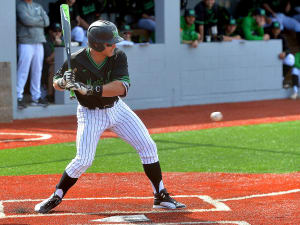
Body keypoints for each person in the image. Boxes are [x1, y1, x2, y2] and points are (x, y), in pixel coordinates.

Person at [34, 20, 186, 214]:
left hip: (117, 109)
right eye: (110, 42)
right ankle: (56, 195)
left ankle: (160, 194)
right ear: (97, 44)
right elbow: (56, 82)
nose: (115, 45)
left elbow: (121, 88)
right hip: (90, 114)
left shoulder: (118, 57)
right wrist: (64, 82)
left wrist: (88, 89)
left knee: (148, 146)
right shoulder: (76, 59)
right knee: (84, 160)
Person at [16, 0, 49, 109]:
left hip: (39, 42)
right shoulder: (20, 5)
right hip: (26, 42)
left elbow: (47, 21)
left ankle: (36, 97)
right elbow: (26, 21)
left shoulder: (38, 6)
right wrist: (39, 19)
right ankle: (18, 97)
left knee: (37, 70)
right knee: (23, 70)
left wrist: (35, 20)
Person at [41, 23, 64, 103]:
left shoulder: (64, 40)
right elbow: (48, 60)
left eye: (59, 31)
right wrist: (58, 47)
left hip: (59, 64)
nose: (58, 33)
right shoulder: (46, 41)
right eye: (55, 31)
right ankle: (50, 95)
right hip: (45, 68)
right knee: (53, 67)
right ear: (50, 32)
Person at [266, 20, 293, 89]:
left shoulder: (282, 37)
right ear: (271, 29)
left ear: (280, 30)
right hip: (267, 58)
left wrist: (285, 53)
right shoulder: (267, 36)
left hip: (279, 57)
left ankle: (281, 78)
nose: (276, 31)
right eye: (274, 29)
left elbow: (288, 49)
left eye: (277, 29)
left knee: (291, 59)